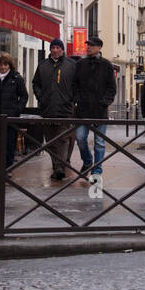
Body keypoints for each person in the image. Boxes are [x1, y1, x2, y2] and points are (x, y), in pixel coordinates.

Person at [72, 37, 117, 182]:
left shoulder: (107, 65)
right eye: (88, 45)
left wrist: (104, 103)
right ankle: (87, 161)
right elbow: (75, 85)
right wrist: (77, 99)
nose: (88, 47)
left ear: (99, 47)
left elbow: (112, 88)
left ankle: (97, 171)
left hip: (100, 110)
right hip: (82, 110)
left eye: (91, 45)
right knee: (80, 138)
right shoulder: (80, 64)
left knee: (99, 143)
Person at [32, 39, 77, 181]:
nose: (55, 50)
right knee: (50, 140)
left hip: (65, 109)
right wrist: (41, 97)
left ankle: (60, 168)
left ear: (62, 49)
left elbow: (77, 84)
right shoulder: (43, 65)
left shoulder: (71, 65)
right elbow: (36, 84)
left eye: (58, 47)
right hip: (47, 109)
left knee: (63, 139)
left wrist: (72, 98)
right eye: (53, 47)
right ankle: (57, 165)